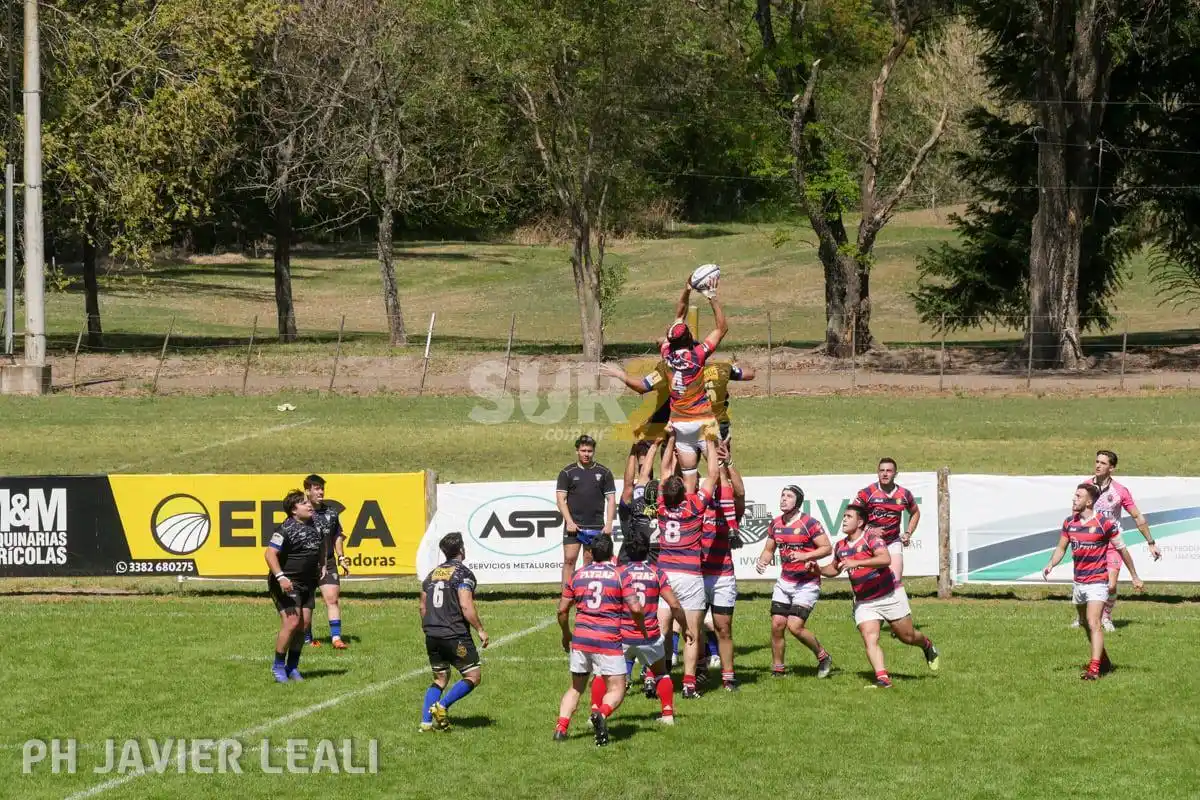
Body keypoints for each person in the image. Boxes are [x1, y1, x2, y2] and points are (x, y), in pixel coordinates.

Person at [817, 504, 939, 689]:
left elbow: (885, 559)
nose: (844, 519)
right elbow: (834, 568)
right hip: (864, 602)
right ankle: (883, 679)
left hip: (889, 595)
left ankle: (927, 645)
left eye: (848, 516)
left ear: (860, 522)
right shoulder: (840, 546)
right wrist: (817, 569)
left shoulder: (871, 539)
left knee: (907, 636)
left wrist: (857, 562)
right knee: (869, 637)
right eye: (843, 516)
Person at [1043, 483, 1145, 680]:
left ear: (1089, 501)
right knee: (1085, 623)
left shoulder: (1104, 524)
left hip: (1098, 581)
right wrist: (1051, 564)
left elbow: (1122, 549)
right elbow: (1061, 549)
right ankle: (1105, 661)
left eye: (1078, 496)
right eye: (1074, 495)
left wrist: (1134, 575)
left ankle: (1094, 669)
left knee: (1093, 621)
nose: (1074, 499)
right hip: (1079, 582)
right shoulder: (1069, 523)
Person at [555, 534, 647, 746]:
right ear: (612, 553)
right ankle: (601, 713)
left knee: (576, 687)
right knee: (617, 688)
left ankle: (561, 728)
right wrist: (641, 628)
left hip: (581, 640)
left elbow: (561, 610)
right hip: (608, 641)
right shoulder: (620, 574)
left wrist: (566, 634)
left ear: (590, 553)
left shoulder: (577, 575)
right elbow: (636, 608)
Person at [656, 449, 723, 699]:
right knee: (692, 634)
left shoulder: (661, 508)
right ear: (684, 493)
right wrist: (709, 440)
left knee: (662, 631)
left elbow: (664, 472)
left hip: (664, 576)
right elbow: (713, 475)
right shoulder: (695, 506)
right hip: (690, 575)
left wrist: (671, 440)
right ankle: (688, 684)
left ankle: (658, 678)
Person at [755, 484, 834, 680]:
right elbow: (768, 549)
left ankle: (823, 657)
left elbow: (826, 548)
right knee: (777, 624)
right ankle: (778, 669)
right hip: (785, 582)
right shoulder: (775, 524)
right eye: (782, 495)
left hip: (807, 584)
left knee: (795, 626)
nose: (783, 499)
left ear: (797, 502)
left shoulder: (810, 523)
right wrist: (763, 560)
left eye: (789, 496)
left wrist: (805, 556)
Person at [615, 532, 692, 725]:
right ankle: (667, 715)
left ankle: (596, 711)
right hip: (648, 635)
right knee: (661, 673)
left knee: (603, 675)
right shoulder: (656, 572)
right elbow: (674, 605)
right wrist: (685, 627)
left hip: (622, 635)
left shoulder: (619, 573)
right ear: (648, 549)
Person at [1081, 449, 1161, 631]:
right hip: (1089, 543)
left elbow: (1137, 516)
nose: (1098, 465)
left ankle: (1106, 617)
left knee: (1111, 584)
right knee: (1086, 583)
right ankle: (1084, 617)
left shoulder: (1120, 491)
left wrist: (1151, 542)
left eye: (1103, 463)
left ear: (1112, 468)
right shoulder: (1085, 487)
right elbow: (1075, 514)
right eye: (1096, 461)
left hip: (1111, 542)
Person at [419, 532, 489, 731]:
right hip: (454, 634)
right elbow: (466, 606)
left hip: (431, 634)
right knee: (473, 675)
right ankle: (441, 706)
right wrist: (480, 630)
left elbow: (422, 607)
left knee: (440, 678)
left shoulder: (431, 575)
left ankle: (425, 723)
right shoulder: (463, 574)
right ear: (461, 550)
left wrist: (428, 627)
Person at [264, 490, 324, 683]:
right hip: (287, 584)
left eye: (308, 502)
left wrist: (322, 566)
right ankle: (278, 666)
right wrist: (281, 577)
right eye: (304, 503)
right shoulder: (284, 529)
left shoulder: (316, 525)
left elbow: (321, 547)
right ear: (294, 510)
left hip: (308, 583)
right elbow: (270, 554)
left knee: (304, 625)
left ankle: (292, 667)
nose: (309, 505)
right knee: (291, 623)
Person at [700, 443, 744, 691]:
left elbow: (739, 493)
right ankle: (698, 672)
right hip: (697, 574)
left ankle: (729, 677)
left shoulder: (731, 513)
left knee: (723, 628)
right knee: (694, 628)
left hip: (723, 575)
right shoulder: (698, 504)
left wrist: (727, 464)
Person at [556, 434, 616, 591]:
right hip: (573, 525)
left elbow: (611, 500)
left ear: (594, 451)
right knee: (569, 560)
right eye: (583, 450)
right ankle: (567, 594)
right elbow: (561, 500)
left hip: (596, 525)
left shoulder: (604, 473)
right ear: (577, 451)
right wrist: (569, 521)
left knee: (589, 561)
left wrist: (609, 523)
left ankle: (586, 593)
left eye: (589, 451)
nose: (586, 454)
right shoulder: (567, 473)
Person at [302, 474, 350, 649]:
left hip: (328, 561)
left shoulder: (331, 512)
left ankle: (336, 638)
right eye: (316, 488)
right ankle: (307, 638)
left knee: (332, 599)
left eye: (322, 488)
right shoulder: (301, 511)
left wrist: (341, 557)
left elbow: (337, 535)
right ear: (307, 491)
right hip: (306, 564)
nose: (321, 492)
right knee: (306, 606)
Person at [854, 458, 920, 582]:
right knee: (866, 582)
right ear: (877, 473)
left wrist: (908, 533)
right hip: (870, 542)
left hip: (892, 541)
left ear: (895, 474)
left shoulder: (904, 494)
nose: (885, 474)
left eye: (889, 471)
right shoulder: (867, 493)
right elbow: (852, 515)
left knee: (895, 580)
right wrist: (869, 529)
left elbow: (915, 512)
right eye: (882, 470)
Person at [702, 357, 755, 452]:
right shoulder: (721, 368)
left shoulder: (681, 372)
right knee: (723, 460)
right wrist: (735, 366)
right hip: (718, 421)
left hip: (691, 422)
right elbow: (750, 374)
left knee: (685, 463)